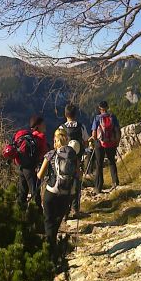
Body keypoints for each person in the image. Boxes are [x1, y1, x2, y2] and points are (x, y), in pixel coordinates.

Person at [37, 128, 79, 260]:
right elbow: (79, 175)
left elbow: (40, 175)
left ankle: (49, 253)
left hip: (51, 192)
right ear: (66, 139)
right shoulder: (73, 155)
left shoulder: (50, 154)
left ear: (55, 140)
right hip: (66, 194)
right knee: (56, 223)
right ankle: (54, 252)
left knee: (48, 222)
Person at [59, 103, 89, 218]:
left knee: (65, 184)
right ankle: (75, 209)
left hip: (64, 161)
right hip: (77, 159)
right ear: (75, 114)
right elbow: (85, 141)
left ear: (65, 114)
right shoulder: (81, 126)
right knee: (76, 184)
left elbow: (58, 144)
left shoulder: (62, 128)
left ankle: (65, 212)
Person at [16, 115, 48, 209]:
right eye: (43, 124)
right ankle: (38, 216)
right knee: (34, 192)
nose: (45, 126)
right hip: (30, 168)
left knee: (23, 191)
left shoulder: (29, 136)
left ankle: (20, 213)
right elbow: (44, 152)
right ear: (38, 126)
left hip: (22, 166)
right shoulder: (41, 137)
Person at [90, 101, 121, 194]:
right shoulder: (113, 117)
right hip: (111, 143)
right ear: (107, 107)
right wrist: (117, 142)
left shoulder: (97, 118)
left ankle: (98, 187)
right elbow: (118, 131)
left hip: (100, 144)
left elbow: (94, 133)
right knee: (112, 162)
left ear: (100, 109)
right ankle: (115, 182)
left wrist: (95, 141)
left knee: (99, 165)